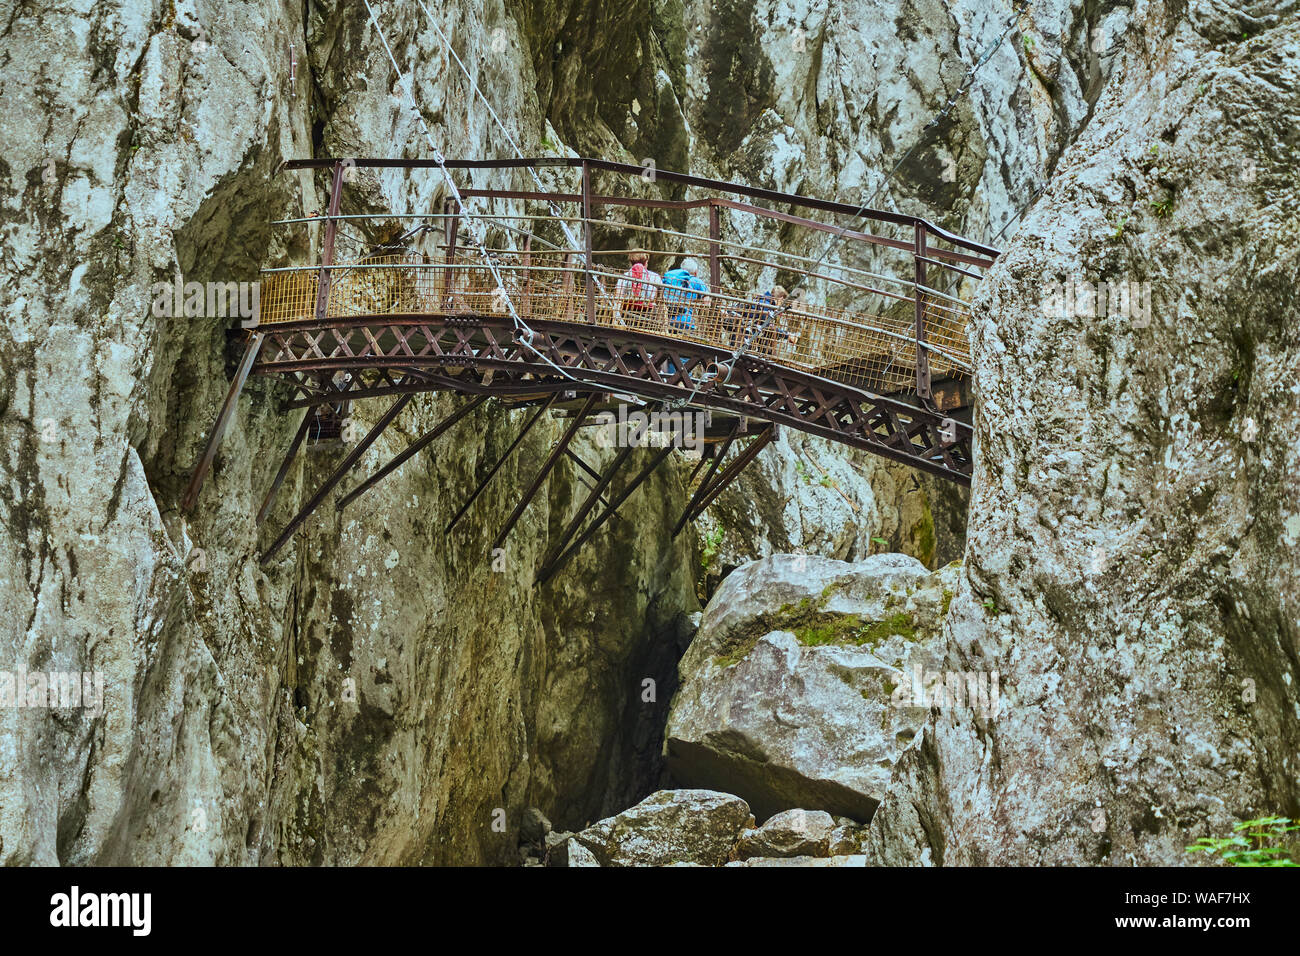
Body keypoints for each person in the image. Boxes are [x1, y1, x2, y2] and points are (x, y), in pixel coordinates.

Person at [660, 257, 710, 330]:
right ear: (695, 272)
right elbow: (707, 302)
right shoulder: (697, 282)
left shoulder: (673, 279)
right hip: (686, 322)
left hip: (667, 320)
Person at [614, 251, 660, 324]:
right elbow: (655, 298)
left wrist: (615, 320)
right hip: (647, 314)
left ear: (631, 262)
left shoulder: (624, 277)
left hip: (627, 312)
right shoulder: (655, 277)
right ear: (646, 261)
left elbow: (618, 297)